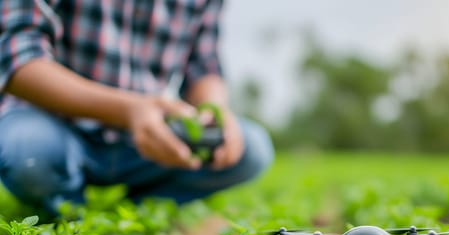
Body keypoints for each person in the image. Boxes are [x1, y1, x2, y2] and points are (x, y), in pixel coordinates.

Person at [0, 1, 274, 215]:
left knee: (251, 149)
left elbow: (204, 63)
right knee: (29, 153)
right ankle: (65, 215)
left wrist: (215, 109)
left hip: (152, 139)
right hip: (55, 124)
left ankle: (130, 215)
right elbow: (16, 57)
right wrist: (129, 110)